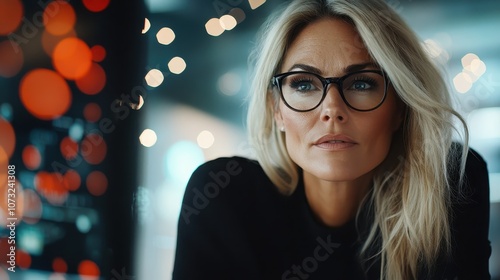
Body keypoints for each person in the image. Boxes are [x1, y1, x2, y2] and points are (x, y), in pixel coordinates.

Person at [172, 0, 491, 279]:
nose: (332, 110)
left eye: (362, 84)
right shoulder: (225, 198)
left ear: (400, 109)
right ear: (276, 110)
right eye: (303, 84)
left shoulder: (447, 182)